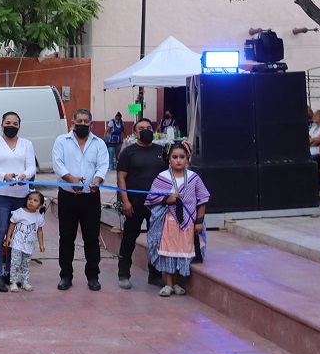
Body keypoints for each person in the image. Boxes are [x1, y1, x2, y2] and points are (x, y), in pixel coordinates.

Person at [52, 108, 109, 291]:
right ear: (73, 123)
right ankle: (66, 276)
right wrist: (71, 180)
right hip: (68, 196)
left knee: (91, 238)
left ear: (91, 124)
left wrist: (97, 180)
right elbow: (57, 163)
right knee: (66, 237)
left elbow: (103, 165)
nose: (83, 124)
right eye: (80, 121)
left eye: (86, 122)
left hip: (91, 197)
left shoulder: (99, 143)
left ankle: (93, 276)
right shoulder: (61, 141)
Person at [145, 142, 210, 297]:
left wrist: (199, 221)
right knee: (169, 252)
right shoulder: (162, 177)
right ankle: (168, 284)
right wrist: (167, 199)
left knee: (183, 252)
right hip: (168, 222)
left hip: (188, 223)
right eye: (175, 157)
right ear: (169, 159)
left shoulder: (194, 178)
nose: (179, 160)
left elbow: (203, 199)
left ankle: (177, 283)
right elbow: (151, 198)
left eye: (182, 157)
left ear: (188, 158)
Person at [0, 112, 37, 292]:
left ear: (19, 126)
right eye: (8, 123)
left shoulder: (27, 144)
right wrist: (3, 176)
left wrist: (25, 176)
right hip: (0, 195)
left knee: (17, 237)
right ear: (1, 125)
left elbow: (31, 167)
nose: (11, 126)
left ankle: (10, 274)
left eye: (15, 123)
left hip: (21, 195)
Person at [116, 118, 167, 289]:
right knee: (129, 238)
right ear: (135, 133)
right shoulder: (128, 153)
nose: (146, 130)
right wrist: (125, 201)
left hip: (158, 204)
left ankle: (155, 275)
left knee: (156, 240)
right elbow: (121, 178)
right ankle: (123, 274)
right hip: (134, 203)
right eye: (142, 128)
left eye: (149, 128)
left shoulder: (161, 151)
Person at [4, 190, 46, 293]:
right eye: (30, 199)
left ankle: (25, 281)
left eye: (35, 200)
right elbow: (12, 224)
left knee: (26, 264)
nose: (31, 202)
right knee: (15, 263)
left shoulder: (38, 216)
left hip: (29, 245)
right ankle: (13, 282)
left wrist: (41, 244)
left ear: (39, 205)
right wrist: (8, 236)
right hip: (17, 244)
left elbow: (39, 231)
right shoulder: (19, 212)